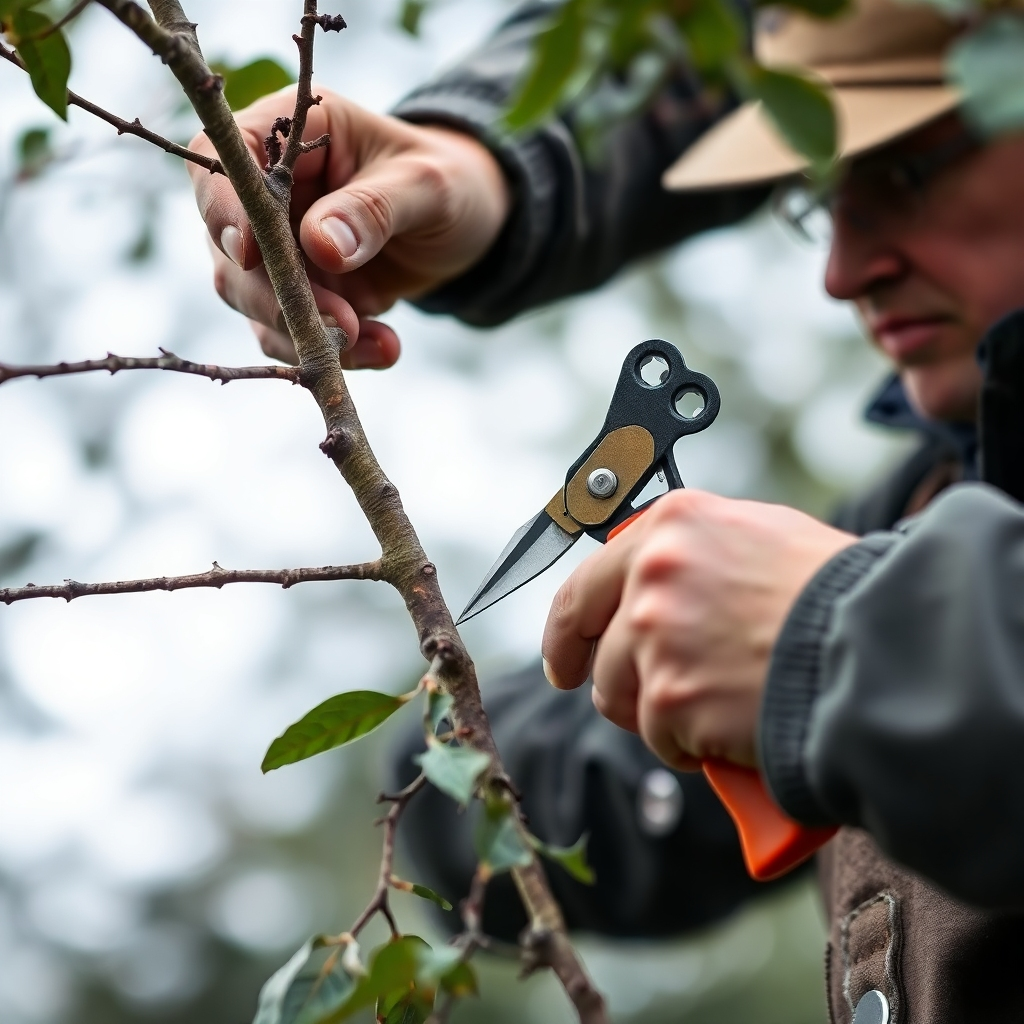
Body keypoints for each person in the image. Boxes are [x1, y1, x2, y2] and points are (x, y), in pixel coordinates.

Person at [188, 0, 1024, 1020]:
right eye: (819, 193)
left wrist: (839, 646)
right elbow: (709, 32)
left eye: (904, 169)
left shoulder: (904, 568)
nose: (843, 270)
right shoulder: (934, 509)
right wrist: (477, 164)